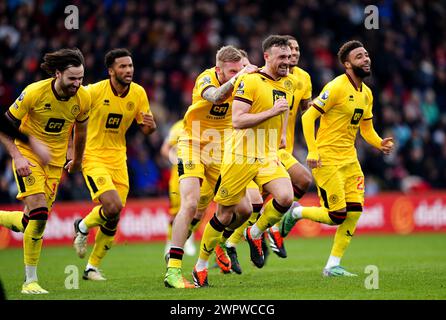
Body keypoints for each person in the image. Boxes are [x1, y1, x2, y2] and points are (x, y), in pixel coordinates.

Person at [281, 40, 394, 276]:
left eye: (366, 55)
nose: (366, 59)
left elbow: (366, 129)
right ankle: (296, 212)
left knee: (354, 212)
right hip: (327, 160)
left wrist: (379, 143)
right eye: (360, 56)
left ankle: (332, 265)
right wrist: (312, 150)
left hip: (350, 161)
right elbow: (308, 117)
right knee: (336, 215)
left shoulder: (367, 94)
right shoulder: (336, 87)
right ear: (347, 64)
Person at [192, 35, 296, 287]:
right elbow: (238, 120)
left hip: (267, 153)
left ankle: (255, 232)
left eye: (289, 57)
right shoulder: (249, 81)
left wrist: (281, 133)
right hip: (241, 155)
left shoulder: (289, 83)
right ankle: (200, 266)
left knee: (285, 197)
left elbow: (283, 109)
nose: (287, 61)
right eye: (281, 57)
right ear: (267, 57)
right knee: (226, 214)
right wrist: (272, 112)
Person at [164, 45, 257, 289]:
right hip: (192, 145)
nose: (237, 74)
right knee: (191, 203)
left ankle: (218, 242)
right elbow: (215, 96)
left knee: (245, 210)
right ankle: (173, 269)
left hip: (222, 151)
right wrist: (241, 76)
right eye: (232, 71)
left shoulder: (245, 82)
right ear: (219, 69)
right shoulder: (206, 78)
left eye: (240, 69)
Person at [0, 48, 90, 294]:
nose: (77, 84)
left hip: (54, 163)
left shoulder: (83, 98)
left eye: (81, 78)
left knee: (30, 221)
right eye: (72, 78)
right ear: (58, 74)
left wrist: (77, 159)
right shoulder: (34, 92)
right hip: (27, 157)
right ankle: (30, 281)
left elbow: (80, 131)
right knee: (39, 213)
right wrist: (17, 156)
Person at [72, 48, 156, 281]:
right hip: (94, 156)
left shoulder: (138, 93)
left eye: (130, 66)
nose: (128, 70)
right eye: (123, 66)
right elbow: (74, 119)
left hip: (119, 158)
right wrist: (73, 154)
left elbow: (147, 129)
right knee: (112, 206)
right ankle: (82, 226)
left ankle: (91, 268)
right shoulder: (93, 92)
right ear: (111, 71)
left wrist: (151, 125)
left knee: (114, 216)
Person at [264, 35, 313, 258]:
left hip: (286, 147)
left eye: (297, 48)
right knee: (303, 179)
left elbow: (305, 110)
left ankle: (267, 227)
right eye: (289, 50)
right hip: (265, 148)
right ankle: (268, 228)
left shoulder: (303, 79)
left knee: (262, 203)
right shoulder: (265, 77)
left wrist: (322, 107)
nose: (295, 53)